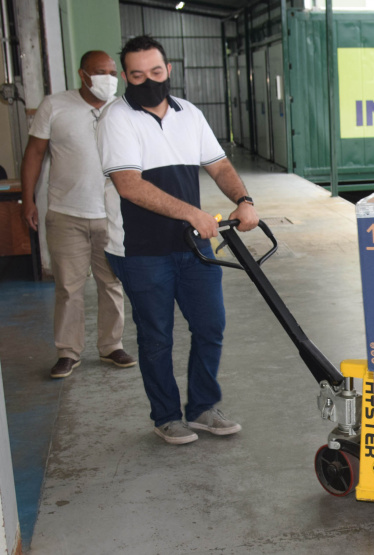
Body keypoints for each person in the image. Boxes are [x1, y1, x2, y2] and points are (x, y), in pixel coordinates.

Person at [96, 35, 258, 445]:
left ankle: (202, 407)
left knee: (210, 325)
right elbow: (129, 186)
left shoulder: (189, 114)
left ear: (168, 70)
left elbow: (219, 165)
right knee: (156, 336)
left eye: (155, 71)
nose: (148, 80)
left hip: (193, 246)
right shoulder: (116, 118)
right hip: (140, 250)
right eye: (136, 74)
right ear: (126, 77)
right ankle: (166, 416)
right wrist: (192, 213)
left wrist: (243, 200)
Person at [20, 50, 136, 379]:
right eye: (100, 71)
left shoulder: (123, 108)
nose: (108, 78)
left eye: (113, 71)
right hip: (65, 213)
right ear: (83, 75)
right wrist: (27, 200)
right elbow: (34, 154)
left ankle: (111, 345)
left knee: (111, 282)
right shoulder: (55, 106)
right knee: (68, 287)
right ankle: (68, 352)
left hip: (112, 215)